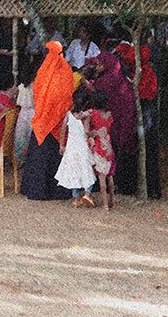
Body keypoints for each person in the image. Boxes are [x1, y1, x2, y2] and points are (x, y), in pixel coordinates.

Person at [22, 41, 75, 200]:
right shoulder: (66, 69)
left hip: (43, 120)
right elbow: (68, 94)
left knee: (39, 158)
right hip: (59, 121)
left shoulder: (43, 70)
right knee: (57, 156)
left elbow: (37, 92)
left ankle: (37, 190)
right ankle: (59, 191)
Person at [115, 39, 161, 198]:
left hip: (143, 117)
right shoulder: (143, 72)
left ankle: (145, 188)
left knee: (143, 148)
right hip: (142, 116)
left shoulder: (144, 73)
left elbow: (141, 94)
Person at [91, 50, 138, 196]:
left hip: (109, 125)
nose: (97, 67)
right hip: (124, 123)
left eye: (99, 64)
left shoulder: (105, 81)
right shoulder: (123, 81)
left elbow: (97, 97)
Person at [56, 89, 96, 207]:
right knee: (87, 169)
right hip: (83, 147)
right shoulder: (86, 116)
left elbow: (63, 131)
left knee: (74, 170)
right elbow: (86, 132)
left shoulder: (68, 115)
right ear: (86, 102)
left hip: (71, 147)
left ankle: (76, 198)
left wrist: (61, 145)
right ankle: (87, 193)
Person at [87, 89, 116, 209]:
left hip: (99, 148)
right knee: (110, 176)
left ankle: (105, 204)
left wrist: (92, 133)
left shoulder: (93, 114)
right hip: (108, 147)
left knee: (101, 177)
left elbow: (89, 132)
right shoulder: (109, 115)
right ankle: (112, 200)